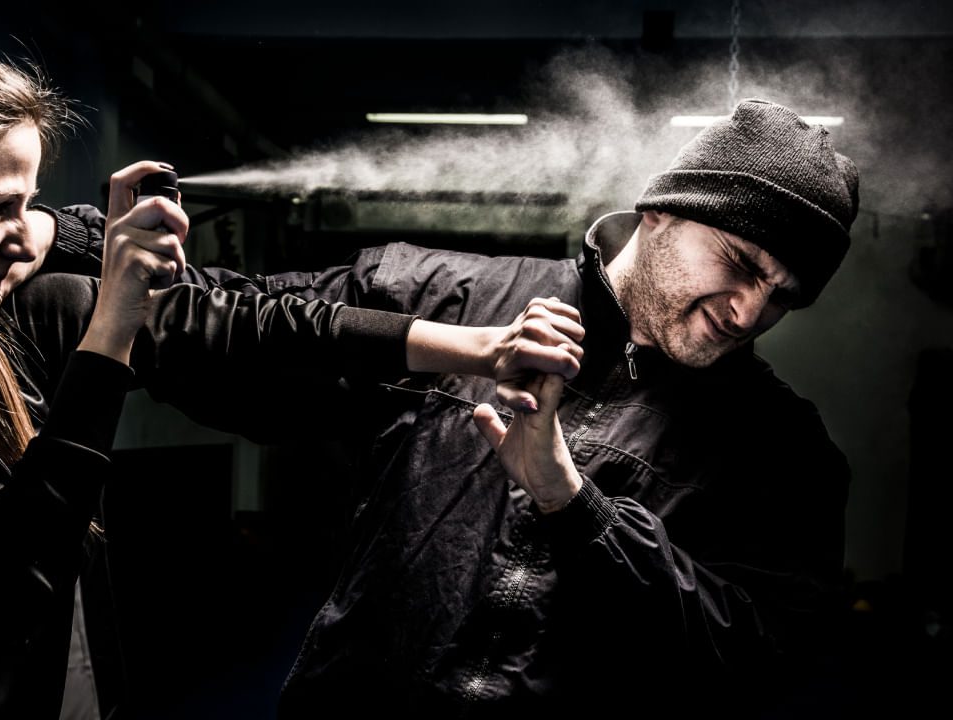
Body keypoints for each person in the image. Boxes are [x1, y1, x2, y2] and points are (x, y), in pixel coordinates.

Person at [0, 16, 583, 720]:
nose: (24, 233)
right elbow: (6, 581)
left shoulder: (17, 323)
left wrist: (475, 345)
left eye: (31, 203)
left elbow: (251, 322)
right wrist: (111, 323)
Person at [152, 99, 859, 716]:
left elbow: (757, 662)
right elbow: (208, 329)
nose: (748, 313)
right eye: (740, 263)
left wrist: (577, 508)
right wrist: (98, 245)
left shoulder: (786, 452)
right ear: (662, 212)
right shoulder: (443, 297)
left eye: (783, 296)